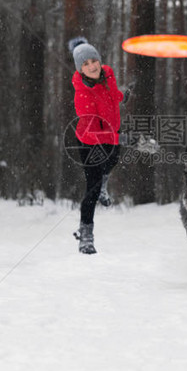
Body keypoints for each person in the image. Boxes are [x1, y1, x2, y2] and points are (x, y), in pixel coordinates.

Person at [69, 37, 124, 254]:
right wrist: (122, 138)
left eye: (93, 60)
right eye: (85, 64)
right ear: (80, 69)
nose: (92, 66)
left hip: (113, 133)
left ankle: (103, 184)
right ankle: (86, 234)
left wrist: (122, 95)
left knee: (113, 161)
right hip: (89, 141)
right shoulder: (81, 94)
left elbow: (112, 95)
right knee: (91, 188)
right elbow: (93, 131)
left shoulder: (108, 73)